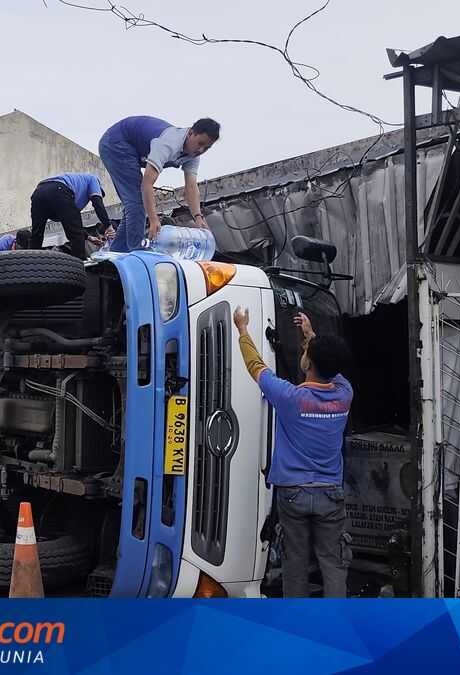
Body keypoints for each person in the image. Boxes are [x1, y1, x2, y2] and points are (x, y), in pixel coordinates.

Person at [233, 308, 354, 598]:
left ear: (308, 361)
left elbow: (255, 366)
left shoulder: (290, 398)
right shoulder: (344, 394)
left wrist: (242, 329)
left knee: (295, 563)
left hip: (293, 494)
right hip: (330, 493)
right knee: (333, 564)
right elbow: (332, 365)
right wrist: (311, 336)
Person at [99, 116, 219, 252]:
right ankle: (136, 251)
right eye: (200, 143)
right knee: (136, 202)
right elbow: (147, 184)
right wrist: (153, 219)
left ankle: (117, 252)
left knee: (134, 206)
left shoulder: (193, 155)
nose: (201, 150)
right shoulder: (169, 143)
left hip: (133, 150)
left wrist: (198, 217)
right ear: (191, 133)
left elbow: (191, 186)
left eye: (207, 147)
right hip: (116, 143)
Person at [28, 172, 113, 261]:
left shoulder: (77, 182)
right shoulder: (93, 179)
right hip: (59, 189)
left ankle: (31, 264)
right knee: (76, 236)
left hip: (38, 193)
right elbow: (97, 203)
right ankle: (79, 265)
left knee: (36, 235)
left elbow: (71, 222)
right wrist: (108, 226)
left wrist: (88, 237)